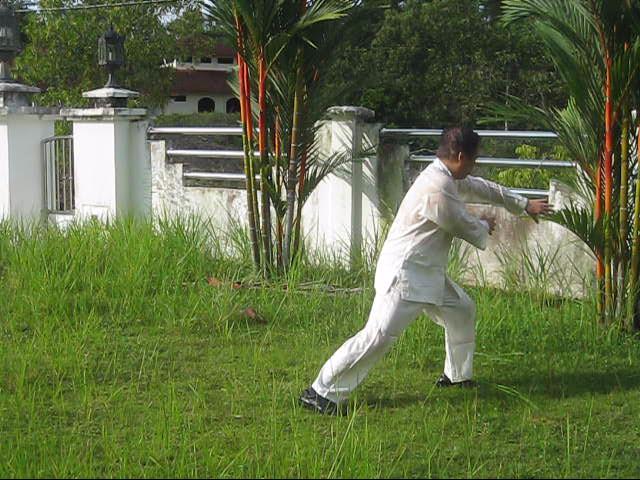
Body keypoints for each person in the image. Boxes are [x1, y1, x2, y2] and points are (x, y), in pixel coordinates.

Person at [299, 126, 553, 415]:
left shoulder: (447, 176)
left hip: (427, 272)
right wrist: (484, 225)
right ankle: (321, 392)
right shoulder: (436, 187)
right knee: (377, 336)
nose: (474, 166)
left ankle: (457, 376)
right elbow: (460, 224)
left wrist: (523, 204)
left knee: (462, 310)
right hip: (404, 275)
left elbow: (482, 187)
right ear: (460, 156)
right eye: (473, 160)